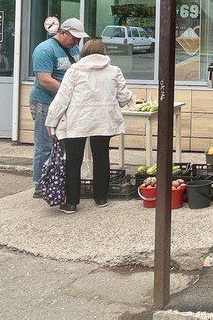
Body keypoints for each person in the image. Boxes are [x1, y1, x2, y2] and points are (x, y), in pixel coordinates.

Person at [45, 37, 134, 213]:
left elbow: (62, 98)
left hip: (77, 121)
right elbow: (123, 97)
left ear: (83, 53)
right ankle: (101, 198)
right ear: (104, 53)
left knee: (73, 161)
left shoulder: (74, 70)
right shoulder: (113, 71)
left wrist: (51, 121)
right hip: (103, 121)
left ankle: (71, 203)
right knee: (101, 157)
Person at [29, 16, 88, 198]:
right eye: (74, 37)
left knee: (61, 145)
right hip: (46, 103)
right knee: (45, 145)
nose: (77, 41)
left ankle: (53, 181)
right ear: (63, 32)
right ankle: (40, 185)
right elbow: (44, 80)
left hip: (66, 105)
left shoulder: (74, 48)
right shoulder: (45, 50)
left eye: (79, 38)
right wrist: (68, 93)